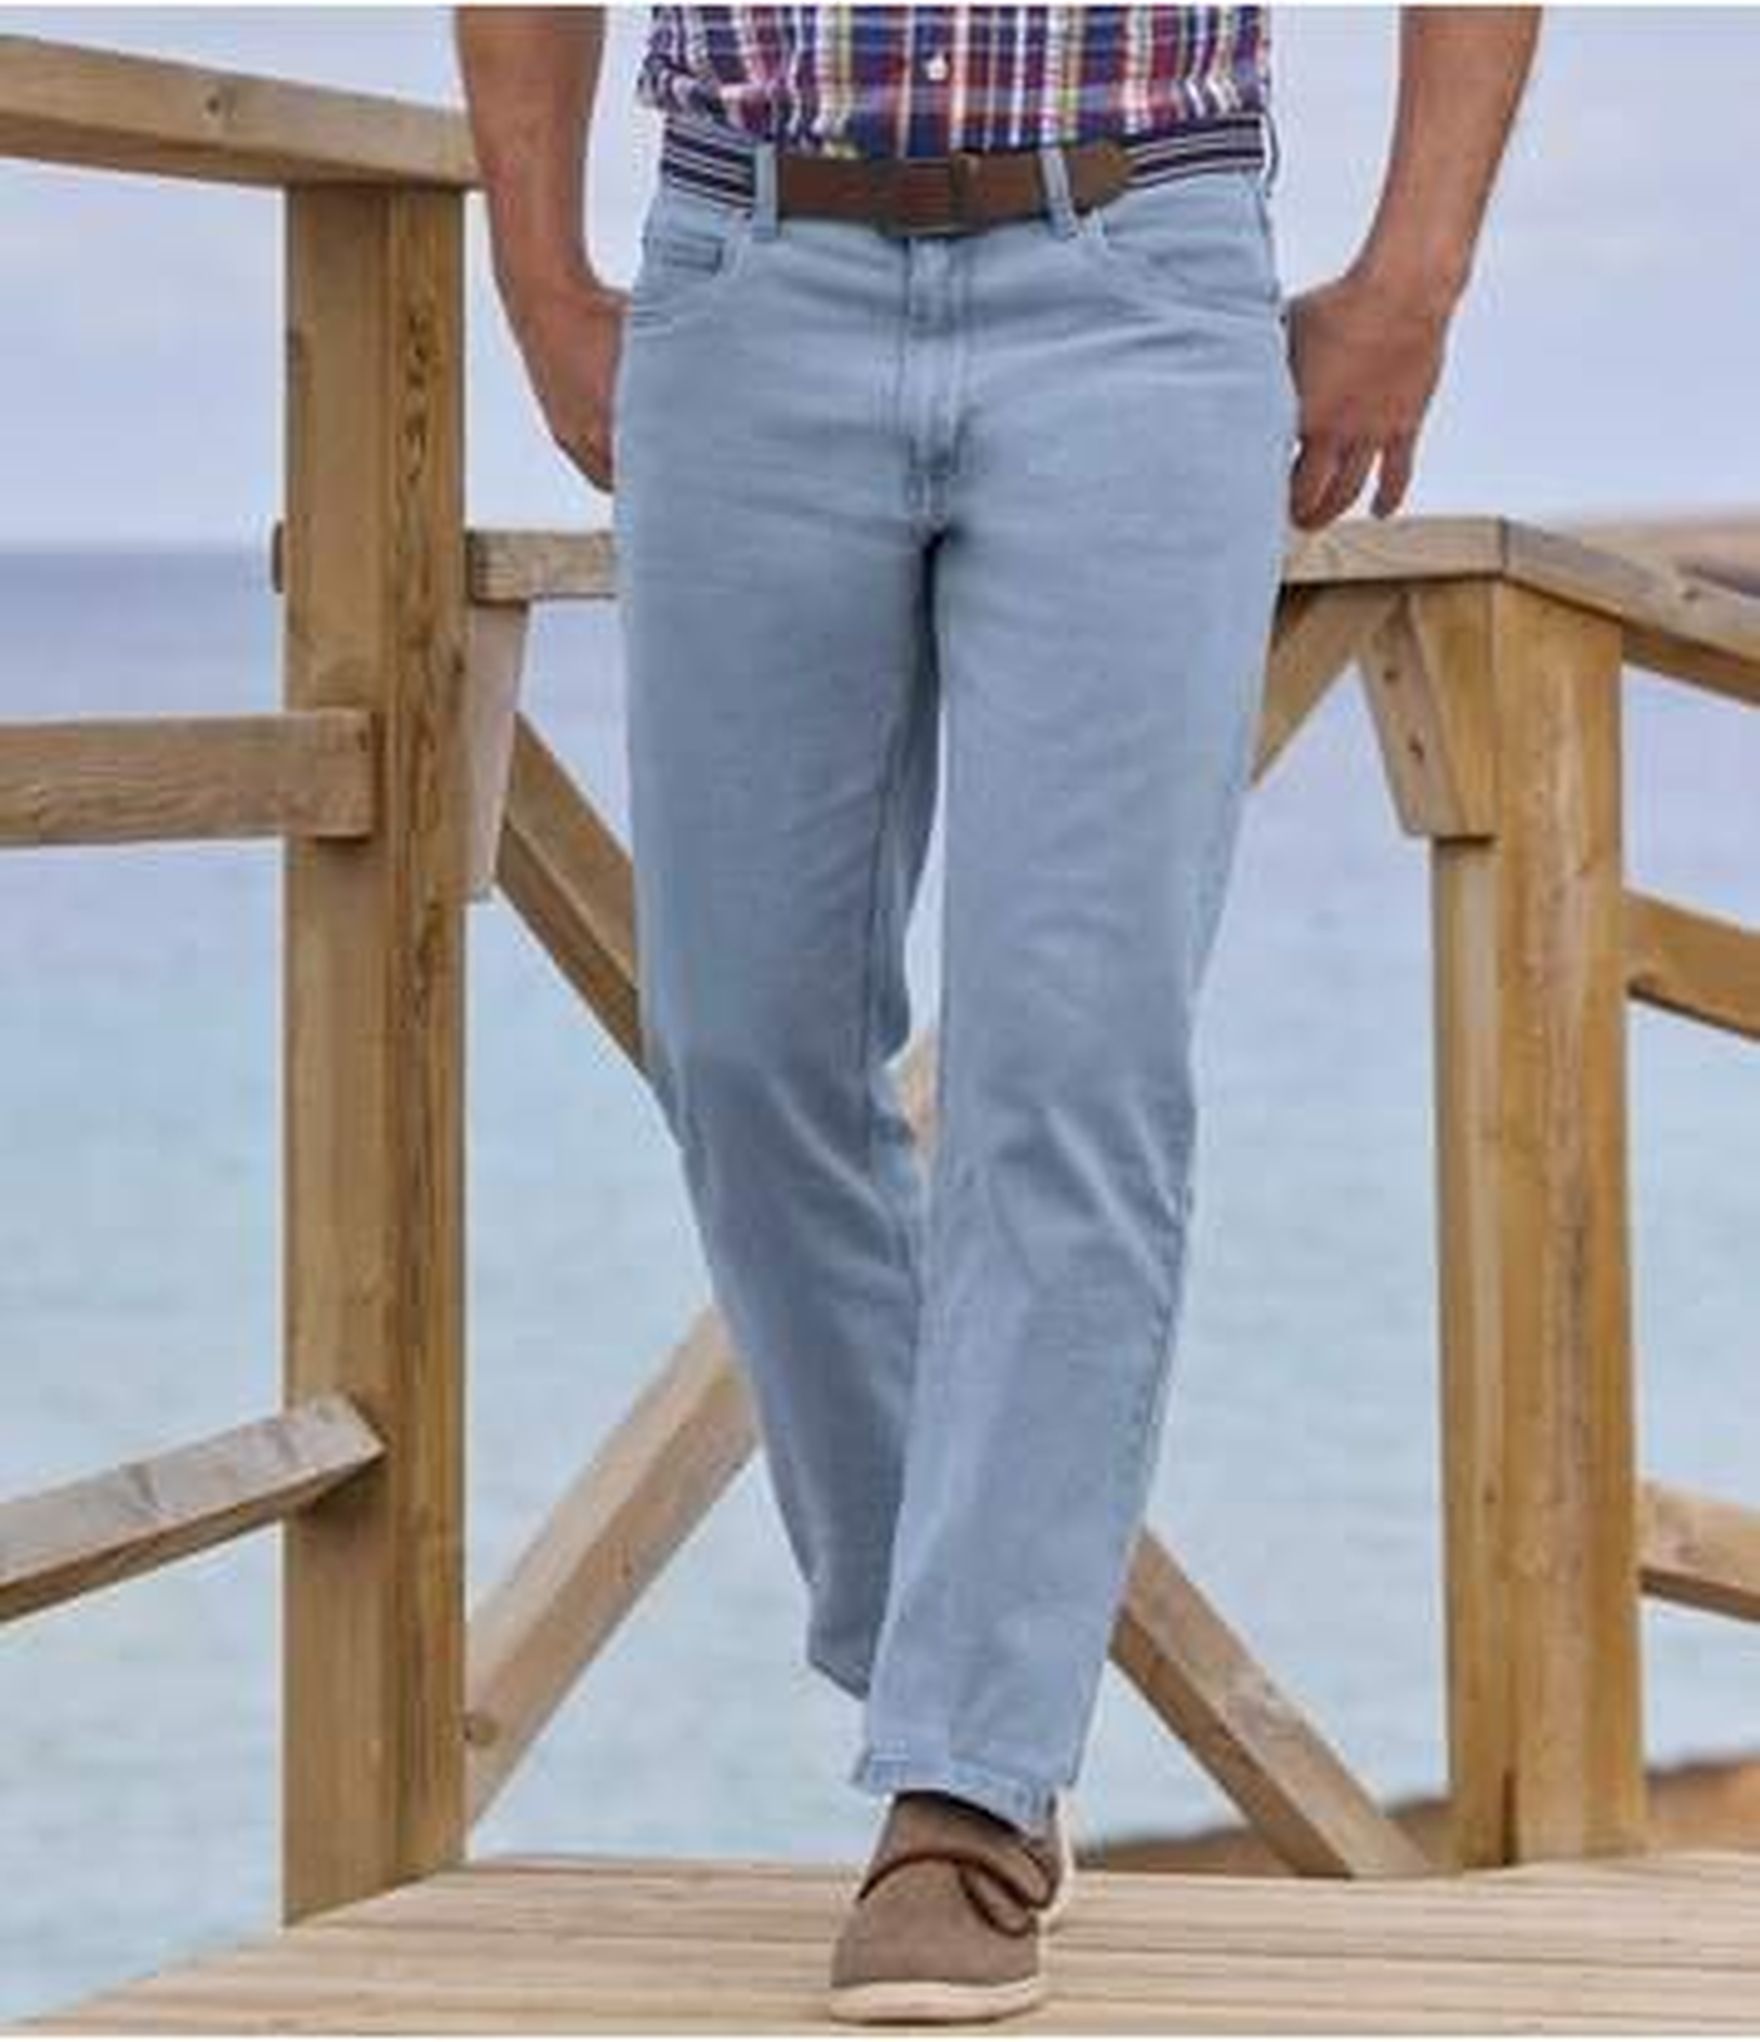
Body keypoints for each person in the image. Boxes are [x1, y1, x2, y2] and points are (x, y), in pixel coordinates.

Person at [455, 5, 1540, 2022]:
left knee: (1071, 1059)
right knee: (740, 1044)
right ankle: (954, 1655)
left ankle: (966, 1787)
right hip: (748, 267)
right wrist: (535, 272)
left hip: (1137, 278)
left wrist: (1416, 270)